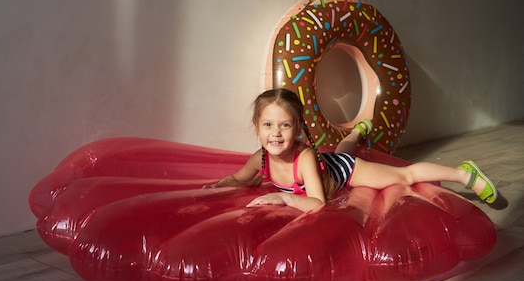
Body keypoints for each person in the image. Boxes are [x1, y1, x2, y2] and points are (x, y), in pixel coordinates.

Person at [205, 88, 497, 212]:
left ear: (297, 129)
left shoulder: (304, 156)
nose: (276, 133)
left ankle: (464, 173)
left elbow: (317, 203)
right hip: (329, 162)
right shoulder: (260, 158)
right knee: (344, 149)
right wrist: (218, 185)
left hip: (343, 171)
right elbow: (240, 178)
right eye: (268, 125)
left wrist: (285, 199)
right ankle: (357, 132)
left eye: (284, 126)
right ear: (256, 126)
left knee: (403, 176)